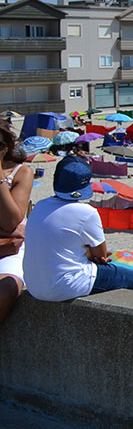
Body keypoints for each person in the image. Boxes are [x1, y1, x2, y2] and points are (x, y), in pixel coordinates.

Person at [22, 156, 133, 302]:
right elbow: (101, 256)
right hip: (63, 286)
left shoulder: (40, 206)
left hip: (34, 285)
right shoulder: (86, 212)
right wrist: (88, 252)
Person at [0, 124, 34, 325]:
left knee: (7, 288)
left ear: (7, 147)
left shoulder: (22, 173)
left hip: (10, 250)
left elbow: (11, 219)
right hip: (8, 239)